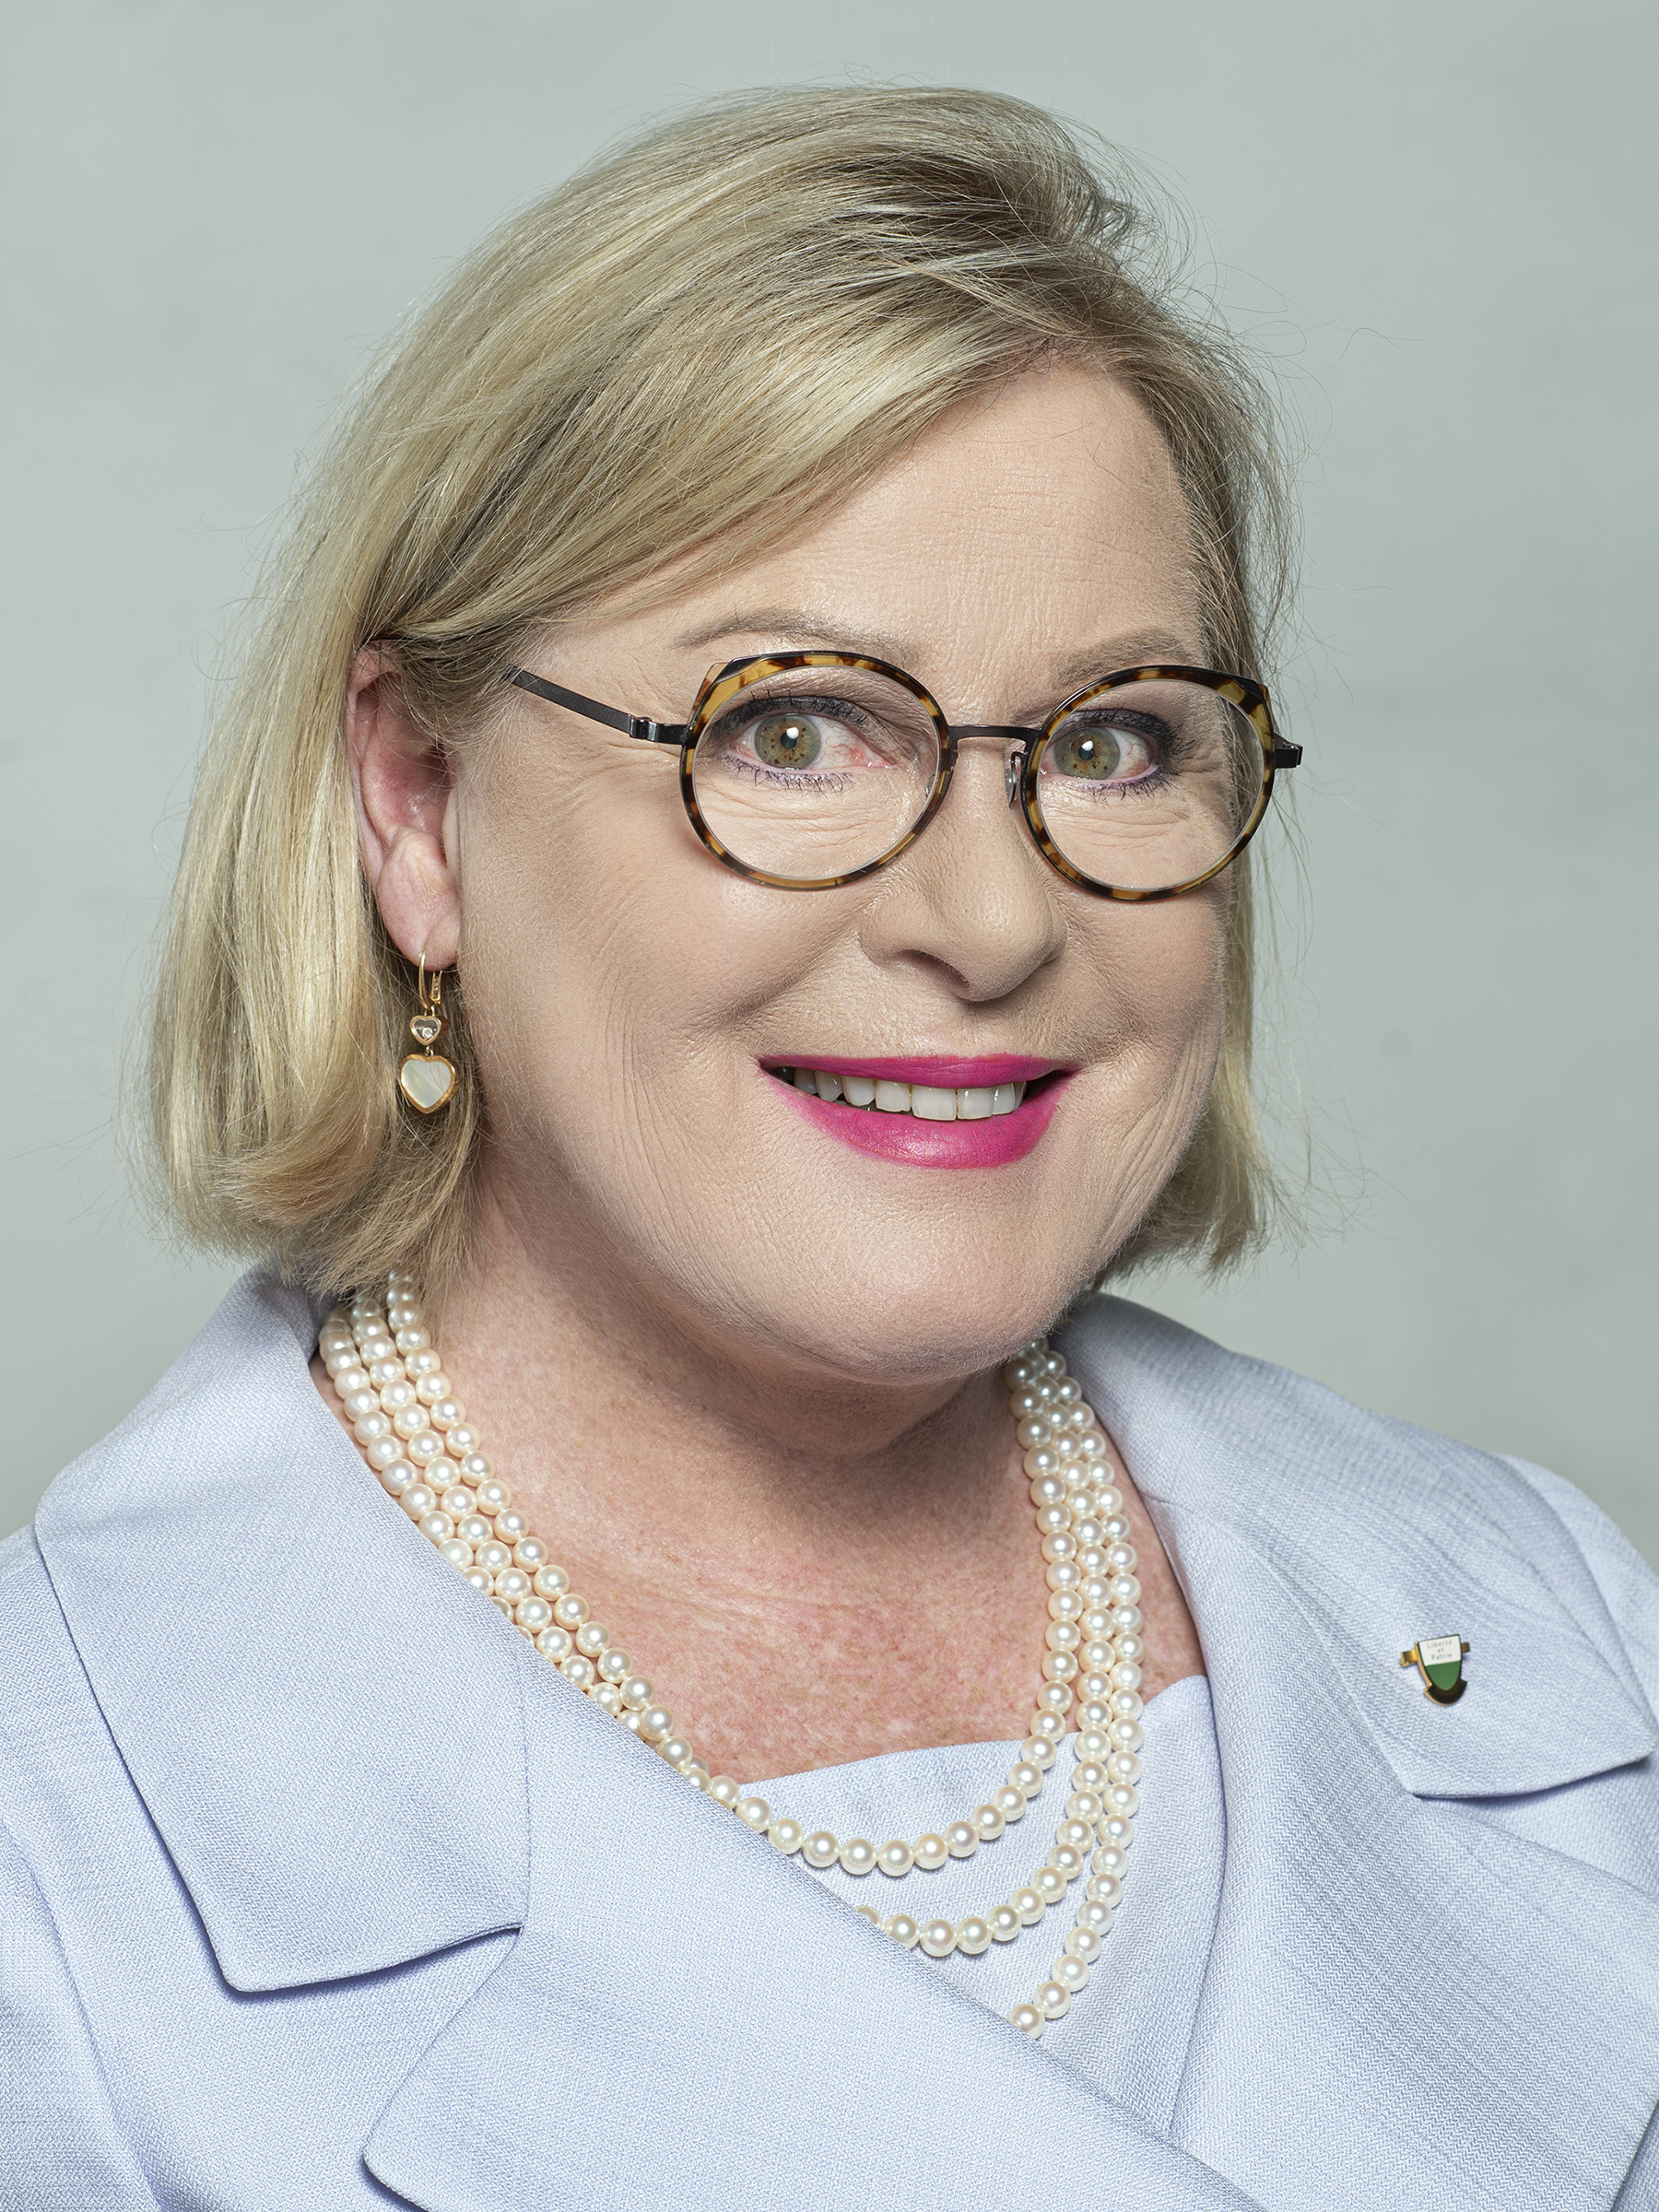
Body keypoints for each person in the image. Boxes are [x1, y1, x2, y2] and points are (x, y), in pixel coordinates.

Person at [4, 84, 1655, 2212]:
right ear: (418, 805)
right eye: (791, 729)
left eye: (1115, 740)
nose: (990, 917)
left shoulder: (1550, 1619)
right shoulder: (56, 1852)